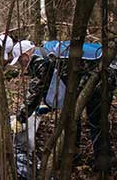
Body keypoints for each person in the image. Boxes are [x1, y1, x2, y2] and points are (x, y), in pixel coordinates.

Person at [12, 40, 117, 169]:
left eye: (20, 60)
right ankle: (73, 153)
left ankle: (104, 167)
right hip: (100, 74)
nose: (21, 64)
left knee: (96, 121)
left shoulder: (39, 60)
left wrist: (21, 117)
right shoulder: (48, 51)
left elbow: (36, 91)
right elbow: (59, 83)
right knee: (74, 116)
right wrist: (48, 106)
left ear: (25, 55)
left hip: (100, 78)